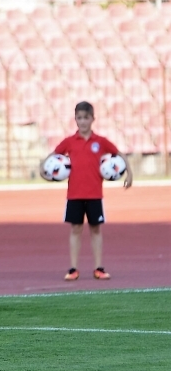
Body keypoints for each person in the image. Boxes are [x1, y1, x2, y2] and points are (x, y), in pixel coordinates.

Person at [39, 101, 132, 281]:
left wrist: (130, 173)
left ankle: (99, 267)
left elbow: (120, 154)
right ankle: (73, 268)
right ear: (75, 119)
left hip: (95, 194)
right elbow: (52, 157)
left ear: (92, 119)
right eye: (79, 118)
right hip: (74, 194)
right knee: (76, 229)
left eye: (86, 118)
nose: (83, 122)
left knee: (96, 230)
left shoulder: (101, 142)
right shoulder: (69, 142)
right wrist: (44, 170)